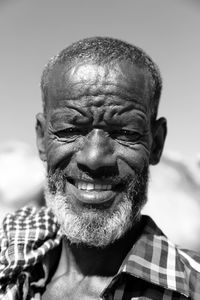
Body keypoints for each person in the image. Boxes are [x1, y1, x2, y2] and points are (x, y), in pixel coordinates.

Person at [0, 37, 200, 300]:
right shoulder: (13, 252)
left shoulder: (190, 287)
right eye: (70, 130)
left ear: (156, 143)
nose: (94, 159)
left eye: (126, 132)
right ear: (41, 139)